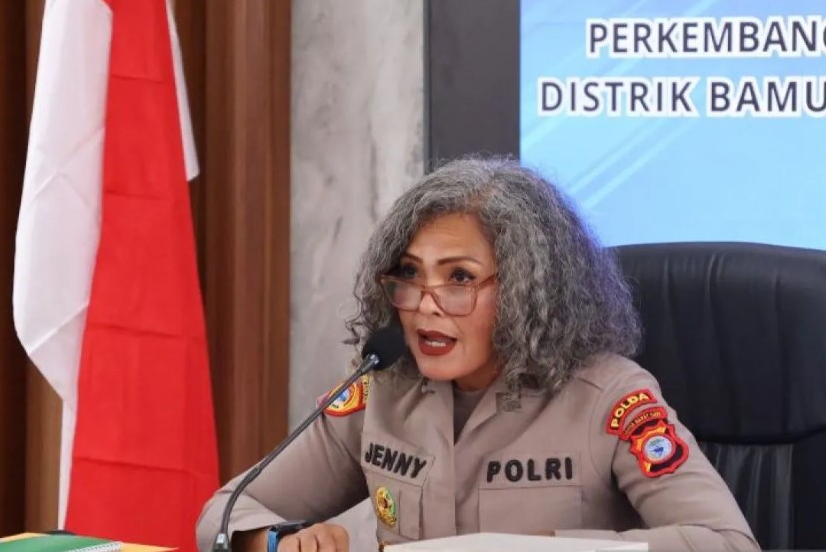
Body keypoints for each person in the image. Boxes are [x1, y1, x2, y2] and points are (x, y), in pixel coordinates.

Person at [196, 156, 760, 552]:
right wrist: (280, 541)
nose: (425, 305)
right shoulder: (381, 389)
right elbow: (224, 511)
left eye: (459, 278)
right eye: (410, 275)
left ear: (527, 290)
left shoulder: (609, 399)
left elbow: (727, 543)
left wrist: (549, 550)